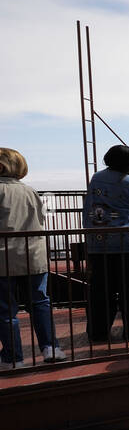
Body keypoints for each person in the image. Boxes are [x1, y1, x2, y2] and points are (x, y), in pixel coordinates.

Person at [84, 144, 129, 341]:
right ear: (128, 163)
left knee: (101, 290)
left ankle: (97, 332)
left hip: (99, 243)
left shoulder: (96, 179)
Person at [0, 148, 66, 366]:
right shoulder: (31, 191)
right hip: (33, 255)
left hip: (3, 259)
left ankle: (13, 358)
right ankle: (51, 348)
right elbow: (42, 218)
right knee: (40, 303)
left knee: (6, 310)